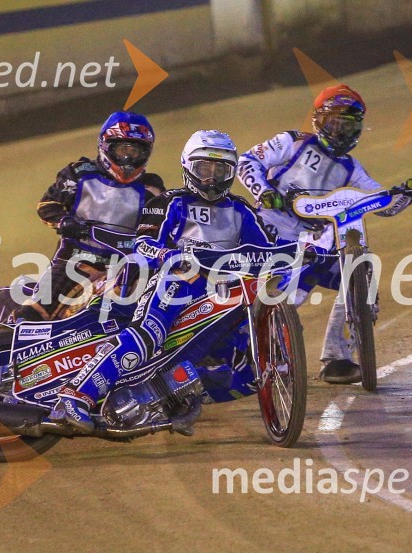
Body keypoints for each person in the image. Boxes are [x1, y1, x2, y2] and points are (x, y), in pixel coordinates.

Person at [50, 130, 275, 433]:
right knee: (147, 337)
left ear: (231, 172)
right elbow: (142, 243)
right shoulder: (169, 201)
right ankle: (73, 397)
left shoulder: (242, 210)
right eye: (203, 169)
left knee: (250, 370)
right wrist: (170, 254)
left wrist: (306, 250)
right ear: (188, 167)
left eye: (220, 170)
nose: (211, 178)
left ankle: (167, 396)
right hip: (175, 283)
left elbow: (266, 252)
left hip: (224, 295)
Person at [237, 84, 412, 384]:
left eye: (346, 125)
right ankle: (235, 348)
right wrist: (266, 192)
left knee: (360, 276)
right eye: (333, 122)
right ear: (318, 120)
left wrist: (405, 194)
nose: (338, 131)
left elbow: (381, 204)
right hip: (266, 234)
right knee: (259, 303)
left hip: (312, 243)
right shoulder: (292, 142)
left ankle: (337, 358)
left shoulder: (352, 168)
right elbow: (246, 161)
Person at [16, 111, 165, 321]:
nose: (128, 159)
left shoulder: (153, 188)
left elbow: (160, 226)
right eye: (122, 150)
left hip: (125, 266)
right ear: (106, 146)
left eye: (136, 152)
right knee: (34, 313)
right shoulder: (79, 173)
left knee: (154, 308)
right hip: (76, 258)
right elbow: (48, 206)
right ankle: (3, 339)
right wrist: (66, 222)